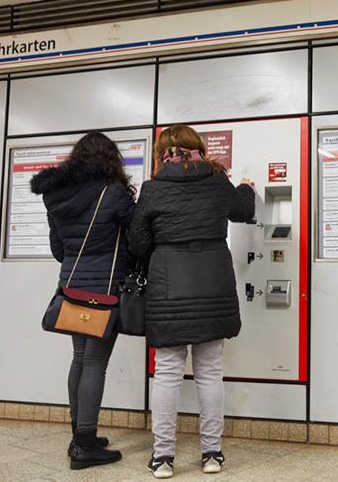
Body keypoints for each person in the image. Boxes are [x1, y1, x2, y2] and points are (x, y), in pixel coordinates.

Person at [129, 124, 255, 479]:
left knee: (167, 371)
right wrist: (246, 186)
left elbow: (137, 245)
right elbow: (242, 210)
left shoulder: (153, 189)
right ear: (197, 147)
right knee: (210, 370)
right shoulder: (216, 179)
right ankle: (212, 453)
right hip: (212, 277)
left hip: (169, 280)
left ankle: (163, 457)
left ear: (162, 153)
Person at [30, 132, 135, 470]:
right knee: (94, 363)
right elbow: (136, 240)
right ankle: (86, 446)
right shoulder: (114, 192)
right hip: (103, 289)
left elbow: (59, 249)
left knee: (79, 359)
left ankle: (79, 433)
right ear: (110, 159)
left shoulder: (56, 196)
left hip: (72, 287)